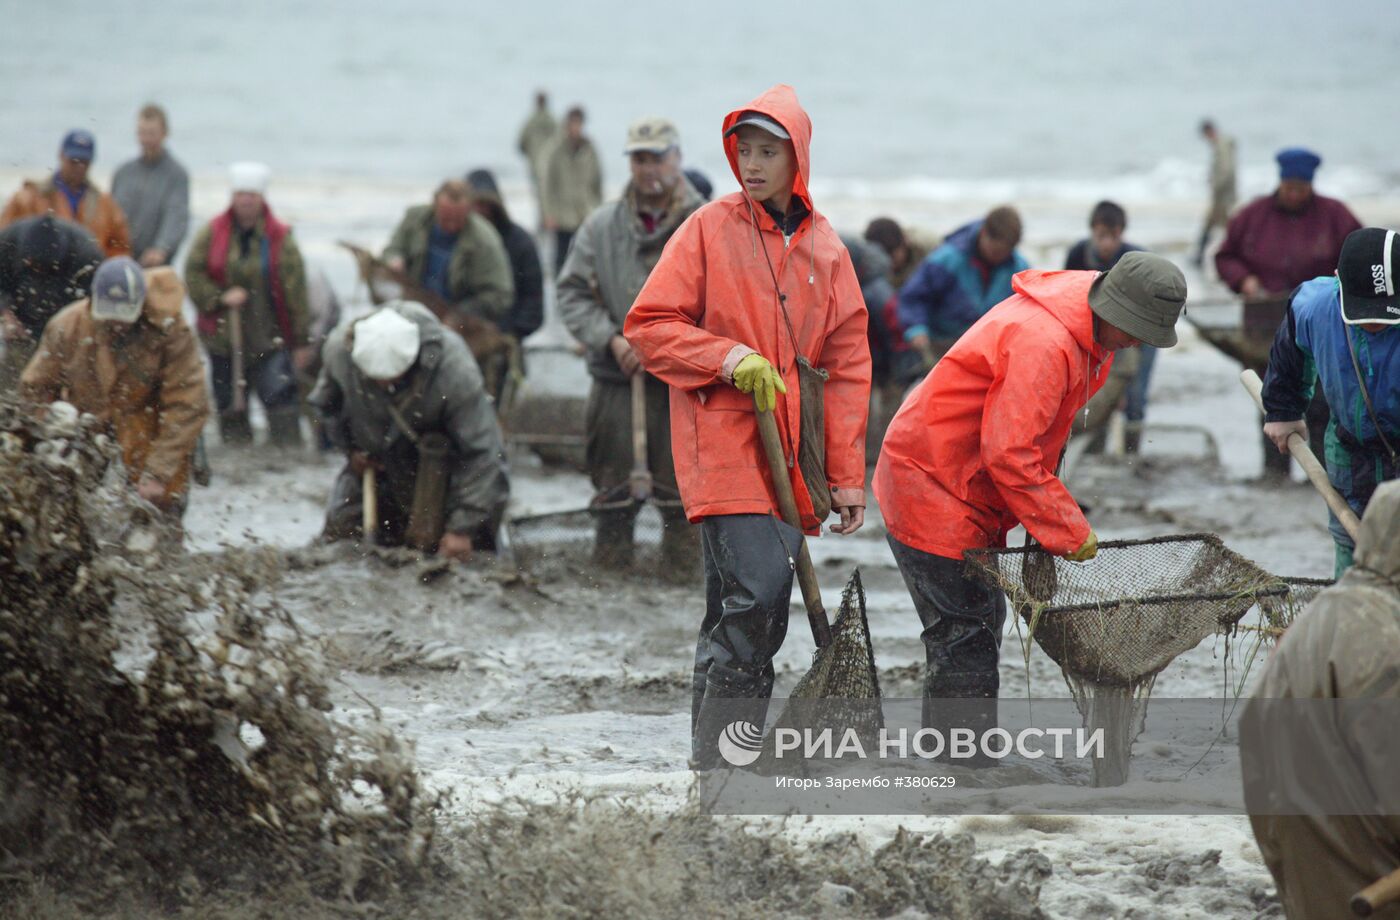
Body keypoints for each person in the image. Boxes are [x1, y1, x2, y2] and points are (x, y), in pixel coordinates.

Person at [623, 86, 871, 768]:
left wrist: (847, 477)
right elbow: (649, 328)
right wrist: (728, 358)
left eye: (770, 152)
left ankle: (710, 768)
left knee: (735, 609)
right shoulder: (707, 227)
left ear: (800, 162)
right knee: (759, 601)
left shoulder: (827, 249)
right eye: (745, 151)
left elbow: (848, 366)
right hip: (724, 449)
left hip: (794, 460)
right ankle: (729, 763)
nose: (754, 164)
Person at [873, 253, 1186, 744]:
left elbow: (1037, 434)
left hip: (963, 479)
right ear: (1113, 307)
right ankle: (961, 771)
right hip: (931, 479)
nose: (1136, 343)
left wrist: (1050, 514)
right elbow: (1011, 453)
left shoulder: (1086, 325)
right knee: (965, 634)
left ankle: (956, 759)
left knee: (978, 624)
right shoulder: (1046, 341)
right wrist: (1068, 529)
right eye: (1135, 330)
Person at [1240, 481, 1400, 920]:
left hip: (1304, 863)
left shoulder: (1323, 611)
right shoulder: (1385, 643)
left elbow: (1251, 731)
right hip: (1368, 872)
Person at [557, 116, 706, 572]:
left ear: (677, 158)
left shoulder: (707, 224)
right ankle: (612, 595)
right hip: (615, 386)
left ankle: (682, 596)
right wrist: (611, 340)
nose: (648, 168)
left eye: (658, 157)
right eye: (639, 158)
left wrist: (670, 348)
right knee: (611, 503)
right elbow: (572, 293)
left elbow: (726, 306)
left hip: (683, 394)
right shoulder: (600, 226)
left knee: (686, 509)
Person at [310, 301, 510, 561]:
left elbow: (485, 452)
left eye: (393, 378)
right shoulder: (338, 353)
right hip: (376, 465)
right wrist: (350, 450)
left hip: (441, 466)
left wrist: (463, 528)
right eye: (375, 379)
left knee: (466, 555)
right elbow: (326, 407)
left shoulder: (454, 370)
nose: (384, 385)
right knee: (338, 546)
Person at [20, 257, 208, 526]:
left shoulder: (171, 330)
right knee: (63, 511)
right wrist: (49, 434)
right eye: (108, 317)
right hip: (87, 425)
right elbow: (35, 388)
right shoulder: (67, 326)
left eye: (123, 318)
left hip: (149, 426)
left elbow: (187, 403)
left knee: (159, 510)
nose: (117, 325)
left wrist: (159, 472)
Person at [1217, 147, 1363, 476]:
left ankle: (1324, 473)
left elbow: (1360, 256)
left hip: (1323, 327)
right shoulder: (1252, 215)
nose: (1294, 194)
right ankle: (1275, 473)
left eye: (1301, 188)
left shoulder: (1335, 215)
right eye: (1289, 187)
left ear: (1311, 185)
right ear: (1280, 183)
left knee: (1323, 404)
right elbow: (1224, 256)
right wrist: (1244, 280)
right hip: (1263, 327)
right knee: (1271, 402)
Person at [1261, 227, 1399, 576]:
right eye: (1363, 310)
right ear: (1338, 281)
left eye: (1383, 313)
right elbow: (1289, 350)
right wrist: (1284, 411)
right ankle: (1352, 617)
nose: (1371, 322)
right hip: (1350, 448)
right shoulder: (1314, 306)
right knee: (1351, 545)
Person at [185, 161, 310, 447]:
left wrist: (301, 341)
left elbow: (296, 292)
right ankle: (240, 474)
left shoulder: (280, 238)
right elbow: (192, 274)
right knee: (230, 413)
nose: (245, 200)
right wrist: (219, 297)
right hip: (223, 342)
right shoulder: (212, 232)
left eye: (251, 195)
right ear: (232, 196)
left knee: (282, 407)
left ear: (262, 198)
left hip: (269, 341)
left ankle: (287, 466)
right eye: (240, 194)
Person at [896, 206, 1029, 373]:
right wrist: (916, 328)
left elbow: (1026, 315)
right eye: (994, 250)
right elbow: (913, 296)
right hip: (940, 344)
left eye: (1003, 252)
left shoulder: (1019, 270)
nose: (997, 256)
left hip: (987, 350)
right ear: (983, 233)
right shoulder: (947, 259)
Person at [1064, 201, 1152, 454]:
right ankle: (1096, 451)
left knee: (1135, 396)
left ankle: (1132, 455)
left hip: (1135, 334)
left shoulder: (1133, 259)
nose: (1107, 244)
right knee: (1094, 395)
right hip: (1096, 334)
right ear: (1092, 231)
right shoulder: (1077, 254)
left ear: (1121, 234)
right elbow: (1067, 294)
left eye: (1113, 237)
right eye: (1102, 236)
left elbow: (1147, 308)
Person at [382, 179, 515, 326]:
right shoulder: (414, 220)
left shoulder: (485, 240)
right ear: (434, 206)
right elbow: (392, 250)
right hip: (413, 305)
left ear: (469, 211)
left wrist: (459, 314)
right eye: (445, 219)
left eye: (457, 220)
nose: (451, 226)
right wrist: (394, 260)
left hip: (458, 317)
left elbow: (500, 295)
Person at [0, 215, 103, 389]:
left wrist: (67, 328)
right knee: (15, 378)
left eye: (45, 268)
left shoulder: (86, 255)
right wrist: (5, 312)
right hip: (20, 322)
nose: (39, 272)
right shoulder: (8, 243)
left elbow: (91, 303)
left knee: (63, 379)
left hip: (65, 323)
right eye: (34, 266)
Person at [1, 129, 130, 257]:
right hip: (37, 271)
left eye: (84, 162)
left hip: (86, 272)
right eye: (73, 161)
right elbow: (5, 237)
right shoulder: (30, 197)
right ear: (61, 155)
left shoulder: (105, 205)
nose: (79, 167)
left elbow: (120, 248)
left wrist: (101, 269)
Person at [465, 169, 545, 343]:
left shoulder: (520, 242)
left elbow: (534, 303)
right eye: (475, 205)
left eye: (485, 205)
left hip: (505, 337)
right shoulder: (453, 240)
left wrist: (507, 331)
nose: (480, 212)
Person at [112, 104, 190, 269]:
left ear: (165, 133)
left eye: (152, 134)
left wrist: (161, 248)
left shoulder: (177, 175)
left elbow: (177, 216)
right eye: (142, 133)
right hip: (121, 260)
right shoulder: (123, 172)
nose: (146, 140)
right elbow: (111, 214)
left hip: (157, 264)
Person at [541, 106, 603, 273]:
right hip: (562, 213)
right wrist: (548, 213)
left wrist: (599, 209)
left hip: (585, 211)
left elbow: (598, 181)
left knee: (587, 254)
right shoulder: (555, 149)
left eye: (579, 123)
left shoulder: (590, 148)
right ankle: (559, 291)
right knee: (561, 255)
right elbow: (547, 184)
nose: (576, 127)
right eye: (573, 123)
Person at [1194, 119, 1237, 268]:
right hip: (1224, 195)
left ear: (1208, 132)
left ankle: (1199, 257)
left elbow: (1226, 170)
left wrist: (1216, 186)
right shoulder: (1222, 144)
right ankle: (1199, 257)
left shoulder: (1221, 145)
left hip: (1222, 197)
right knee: (1220, 226)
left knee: (1223, 227)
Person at [517, 90, 557, 223]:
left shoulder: (530, 121)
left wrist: (530, 154)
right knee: (550, 193)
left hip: (535, 164)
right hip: (551, 165)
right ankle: (547, 219)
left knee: (539, 194)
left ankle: (542, 220)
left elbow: (521, 143)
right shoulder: (553, 121)